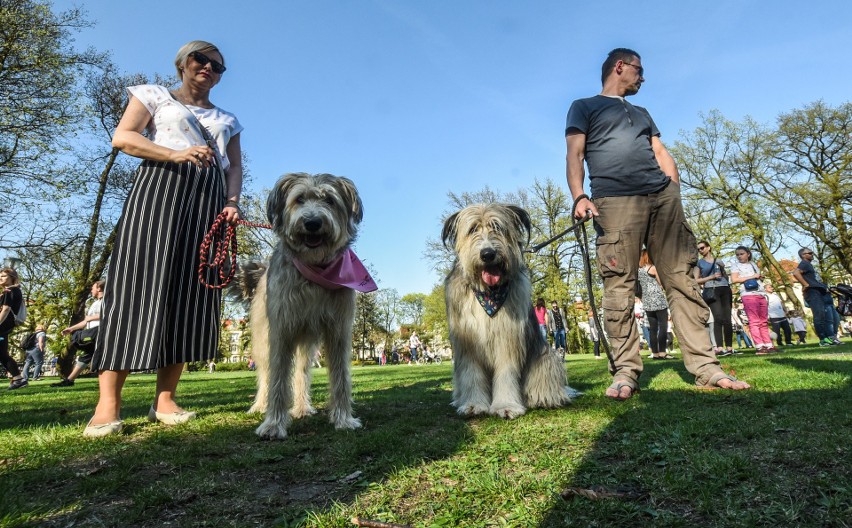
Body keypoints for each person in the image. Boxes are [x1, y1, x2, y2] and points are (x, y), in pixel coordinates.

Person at [565, 48, 749, 398]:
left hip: (663, 201)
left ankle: (707, 368)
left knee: (683, 281)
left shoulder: (642, 112)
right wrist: (579, 196)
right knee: (619, 287)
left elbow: (661, 152)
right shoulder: (584, 106)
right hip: (614, 202)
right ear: (619, 66)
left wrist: (673, 189)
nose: (643, 77)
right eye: (638, 69)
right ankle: (625, 373)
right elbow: (574, 153)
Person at [83, 41, 243, 438]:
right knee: (135, 286)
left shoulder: (228, 118)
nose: (208, 68)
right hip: (160, 190)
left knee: (192, 293)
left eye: (218, 66)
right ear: (183, 64)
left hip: (208, 203)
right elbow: (123, 137)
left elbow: (235, 165)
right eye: (200, 60)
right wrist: (173, 156)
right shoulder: (154, 96)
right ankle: (108, 404)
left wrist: (232, 203)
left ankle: (166, 399)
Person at [52, 281, 104, 388]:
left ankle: (105, 381)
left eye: (93, 288)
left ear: (99, 288)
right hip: (92, 332)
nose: (91, 290)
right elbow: (86, 321)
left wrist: (91, 318)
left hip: (102, 332)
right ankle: (69, 380)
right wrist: (71, 329)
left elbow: (110, 314)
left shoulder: (108, 300)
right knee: (86, 355)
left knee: (100, 356)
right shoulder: (94, 303)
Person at [792, 248, 841, 346]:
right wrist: (805, 285)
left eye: (812, 252)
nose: (812, 254)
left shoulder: (808, 264)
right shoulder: (804, 263)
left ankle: (827, 338)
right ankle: (823, 339)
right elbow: (796, 273)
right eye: (809, 253)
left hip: (817, 292)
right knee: (819, 316)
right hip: (812, 292)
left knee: (823, 316)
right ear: (803, 255)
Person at [729, 246, 774, 354]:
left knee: (763, 321)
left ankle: (769, 345)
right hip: (748, 294)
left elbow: (757, 276)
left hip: (761, 293)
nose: (739, 256)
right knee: (754, 321)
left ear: (748, 254)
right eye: (737, 254)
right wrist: (752, 277)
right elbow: (734, 279)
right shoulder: (735, 266)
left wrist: (759, 277)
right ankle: (759, 346)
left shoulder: (753, 264)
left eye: (741, 254)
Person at [695, 241, 735, 356]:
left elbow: (725, 276)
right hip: (711, 291)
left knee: (727, 318)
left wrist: (725, 278)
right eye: (698, 249)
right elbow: (696, 280)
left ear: (709, 247)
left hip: (725, 289)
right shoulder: (700, 263)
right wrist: (710, 277)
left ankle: (729, 347)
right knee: (718, 318)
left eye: (702, 248)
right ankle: (719, 348)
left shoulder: (719, 261)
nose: (700, 251)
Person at [637, 250, 672, 360]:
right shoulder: (652, 268)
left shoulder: (639, 270)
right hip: (658, 299)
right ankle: (662, 352)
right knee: (663, 326)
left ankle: (655, 353)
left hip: (647, 301)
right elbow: (661, 283)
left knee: (652, 328)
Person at [0, 268, 27, 389]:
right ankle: (18, 379)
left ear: (12, 278)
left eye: (4, 276)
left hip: (2, 326)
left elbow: (5, 309)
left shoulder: (9, 291)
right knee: (1, 354)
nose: (0, 278)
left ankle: (18, 379)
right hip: (6, 326)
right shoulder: (15, 291)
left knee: (2, 354)